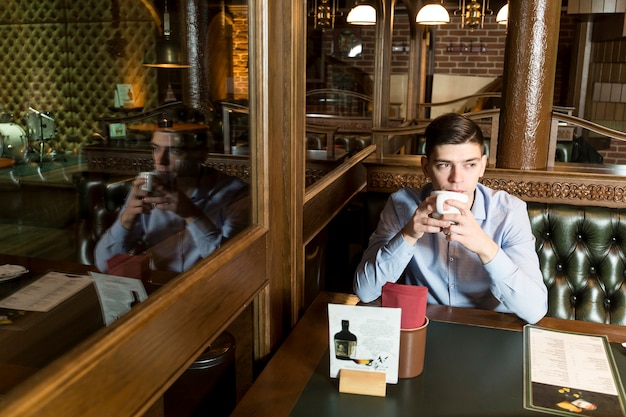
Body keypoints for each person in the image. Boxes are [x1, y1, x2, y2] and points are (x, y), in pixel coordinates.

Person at [354, 113, 547, 324]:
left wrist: (485, 247)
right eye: (444, 165)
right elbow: (365, 291)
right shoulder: (402, 205)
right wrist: (408, 234)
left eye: (469, 165)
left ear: (482, 166)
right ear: (426, 168)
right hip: (424, 326)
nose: (457, 178)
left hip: (490, 328)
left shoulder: (510, 211)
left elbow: (535, 310)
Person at [94, 123, 250, 273]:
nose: (160, 161)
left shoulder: (234, 193)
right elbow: (104, 265)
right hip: (161, 286)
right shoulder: (147, 188)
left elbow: (230, 265)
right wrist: (127, 219)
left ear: (201, 154)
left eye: (174, 151)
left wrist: (191, 214)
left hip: (212, 288)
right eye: (155, 149)